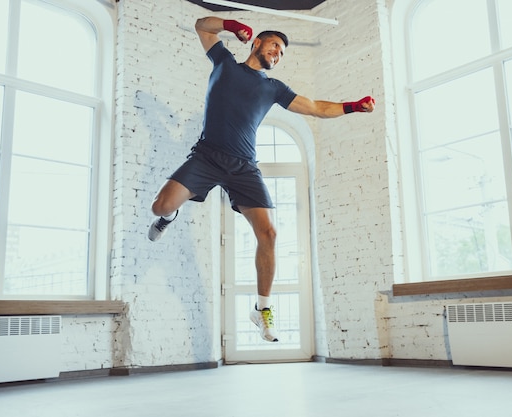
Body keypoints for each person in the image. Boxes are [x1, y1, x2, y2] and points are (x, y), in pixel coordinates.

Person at [148, 16, 375, 342]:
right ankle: (170, 216)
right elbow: (202, 26)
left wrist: (354, 106)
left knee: (268, 233)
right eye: (275, 46)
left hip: (244, 167)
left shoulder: (273, 88)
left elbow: (314, 108)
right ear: (256, 43)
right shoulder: (224, 64)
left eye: (282, 52)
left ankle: (262, 309)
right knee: (160, 206)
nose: (278, 54)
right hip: (207, 156)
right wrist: (231, 24)